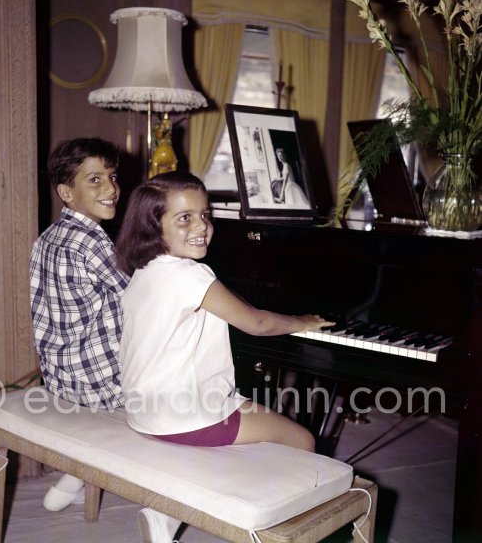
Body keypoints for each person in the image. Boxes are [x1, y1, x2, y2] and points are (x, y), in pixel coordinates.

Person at [115, 171, 334, 542]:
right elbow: (257, 322)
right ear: (155, 225)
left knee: (252, 416)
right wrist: (302, 322)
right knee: (302, 441)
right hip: (185, 416)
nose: (202, 226)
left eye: (205, 214)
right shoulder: (190, 274)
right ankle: (266, 526)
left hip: (142, 411)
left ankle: (175, 510)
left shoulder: (143, 271)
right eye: (184, 218)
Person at [29, 137, 129, 512]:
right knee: (181, 389)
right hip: (99, 384)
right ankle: (166, 503)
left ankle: (77, 475)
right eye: (95, 180)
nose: (111, 188)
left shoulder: (48, 238)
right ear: (66, 192)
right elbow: (137, 298)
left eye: (112, 176)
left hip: (59, 376)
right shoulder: (91, 242)